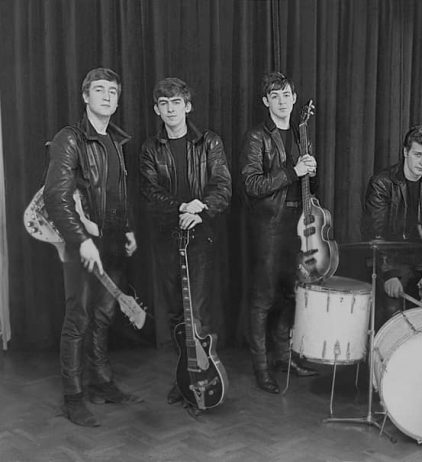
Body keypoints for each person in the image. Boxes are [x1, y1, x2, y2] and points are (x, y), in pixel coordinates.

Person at [44, 67, 141, 428]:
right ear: (85, 97)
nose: (106, 96)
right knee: (79, 317)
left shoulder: (116, 140)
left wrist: (127, 230)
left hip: (113, 240)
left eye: (112, 92)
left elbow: (117, 192)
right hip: (82, 243)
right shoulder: (69, 139)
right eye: (98, 90)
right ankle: (73, 397)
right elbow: (57, 197)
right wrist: (81, 241)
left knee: (103, 315)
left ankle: (101, 384)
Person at [139, 77, 232, 406]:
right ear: (157, 110)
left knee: (200, 312)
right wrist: (181, 207)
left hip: (201, 235)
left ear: (187, 106)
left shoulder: (209, 143)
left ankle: (204, 375)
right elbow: (150, 193)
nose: (170, 109)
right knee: (176, 314)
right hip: (167, 238)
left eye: (176, 103)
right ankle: (185, 375)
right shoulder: (151, 148)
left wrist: (201, 208)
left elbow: (222, 184)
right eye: (163, 104)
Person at [240, 71, 319, 394]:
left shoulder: (301, 135)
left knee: (290, 293)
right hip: (269, 227)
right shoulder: (257, 136)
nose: (282, 101)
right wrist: (293, 171)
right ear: (266, 102)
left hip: (298, 226)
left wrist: (311, 176)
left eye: (287, 95)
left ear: (294, 98)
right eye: (275, 96)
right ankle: (261, 367)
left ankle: (283, 358)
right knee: (263, 299)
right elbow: (251, 184)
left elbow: (306, 184)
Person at [362, 124, 422, 326]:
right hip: (392, 261)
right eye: (417, 154)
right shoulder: (382, 183)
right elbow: (374, 234)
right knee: (393, 312)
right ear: (405, 152)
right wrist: (389, 274)